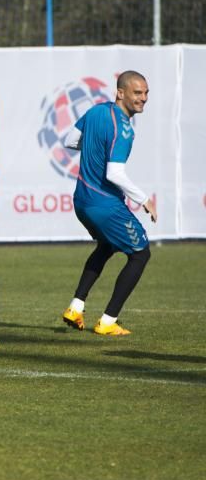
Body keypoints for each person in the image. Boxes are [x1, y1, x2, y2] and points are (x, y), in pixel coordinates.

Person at [61, 71, 155, 336]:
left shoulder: (96, 111)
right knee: (140, 254)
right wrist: (144, 199)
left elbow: (69, 140)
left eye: (146, 93)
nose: (143, 98)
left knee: (106, 246)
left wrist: (94, 146)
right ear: (120, 93)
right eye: (137, 93)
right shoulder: (124, 129)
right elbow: (114, 173)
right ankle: (108, 320)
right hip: (104, 204)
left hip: (81, 200)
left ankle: (75, 307)